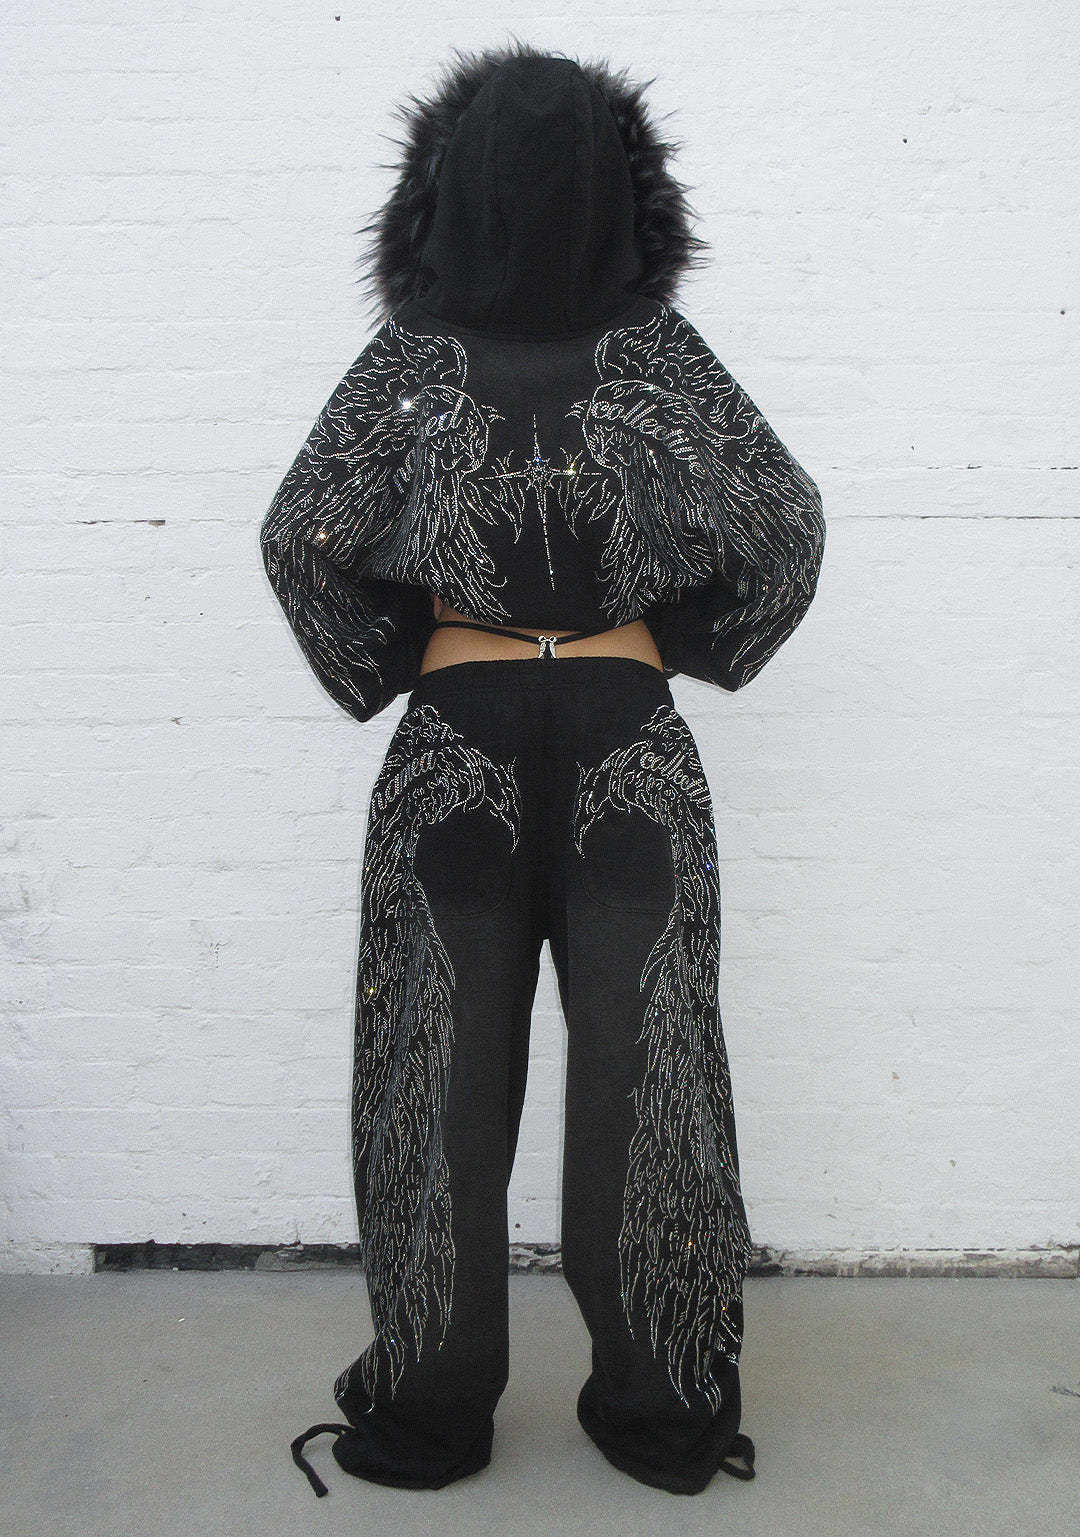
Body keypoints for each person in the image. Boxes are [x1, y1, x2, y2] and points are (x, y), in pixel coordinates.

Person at [261, 40, 825, 1499]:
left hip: (460, 737)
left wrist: (403, 653)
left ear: (440, 192)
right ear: (626, 197)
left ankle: (429, 1416)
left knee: (432, 1079)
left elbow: (301, 535)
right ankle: (663, 1413)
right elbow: (786, 525)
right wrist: (676, 639)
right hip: (629, 737)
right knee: (653, 1076)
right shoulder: (662, 358)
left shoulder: (411, 362)